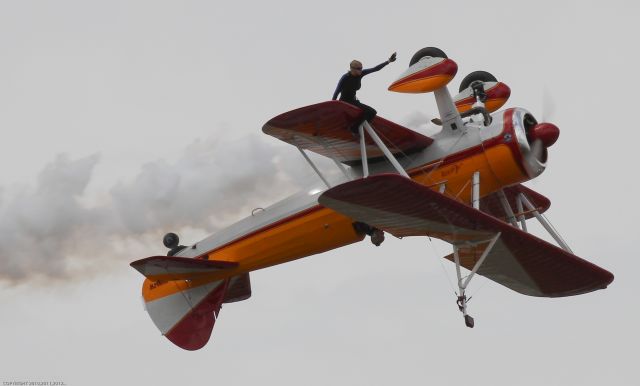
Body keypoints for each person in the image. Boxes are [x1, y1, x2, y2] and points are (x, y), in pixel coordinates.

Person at [332, 52, 397, 135]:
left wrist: (388, 61)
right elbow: (336, 92)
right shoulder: (345, 78)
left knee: (372, 112)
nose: (361, 70)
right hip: (344, 101)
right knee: (369, 112)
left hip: (353, 101)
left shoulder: (361, 73)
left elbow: (375, 69)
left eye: (361, 68)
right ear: (352, 69)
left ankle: (356, 127)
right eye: (358, 68)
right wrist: (333, 105)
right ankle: (354, 128)